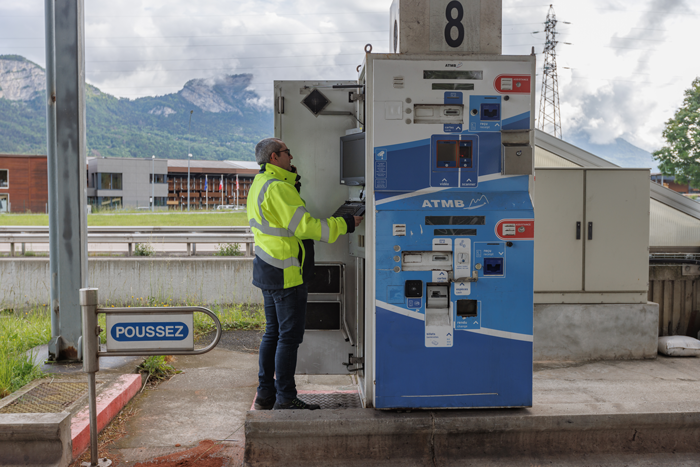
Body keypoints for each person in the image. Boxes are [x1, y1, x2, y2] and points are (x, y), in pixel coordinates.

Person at [248, 138, 363, 410]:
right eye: (288, 152)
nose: (291, 156)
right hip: (286, 272)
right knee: (288, 337)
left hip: (268, 267)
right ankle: (285, 398)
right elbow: (305, 227)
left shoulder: (261, 183)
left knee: (273, 334)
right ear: (275, 157)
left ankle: (266, 395)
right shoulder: (278, 188)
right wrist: (345, 223)